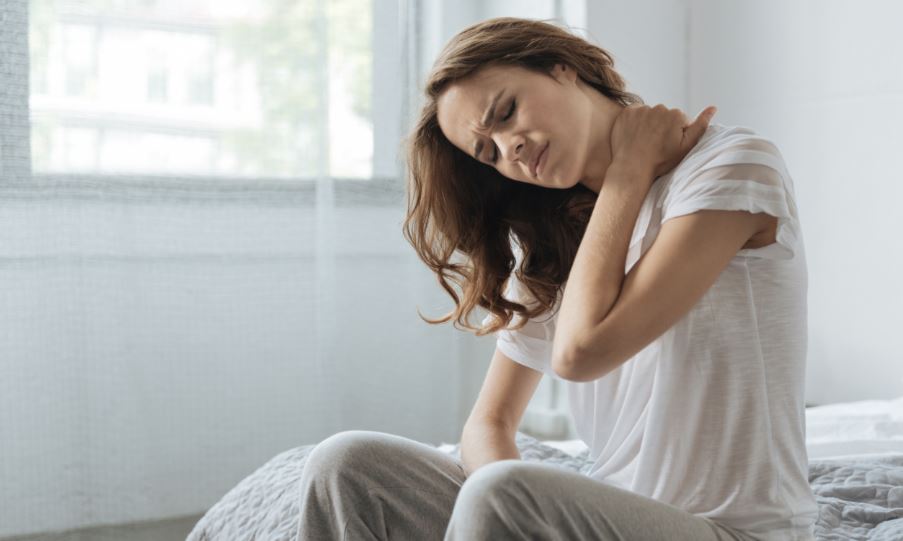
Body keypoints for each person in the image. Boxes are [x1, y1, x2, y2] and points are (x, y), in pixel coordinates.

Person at [296, 17, 818, 541]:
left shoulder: (731, 167)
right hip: (609, 519)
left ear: (561, 67)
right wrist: (628, 169)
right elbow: (489, 423)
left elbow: (581, 353)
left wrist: (628, 171)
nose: (510, 149)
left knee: (503, 493)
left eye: (506, 113)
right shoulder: (556, 239)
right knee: (346, 464)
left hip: (730, 530)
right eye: (489, 153)